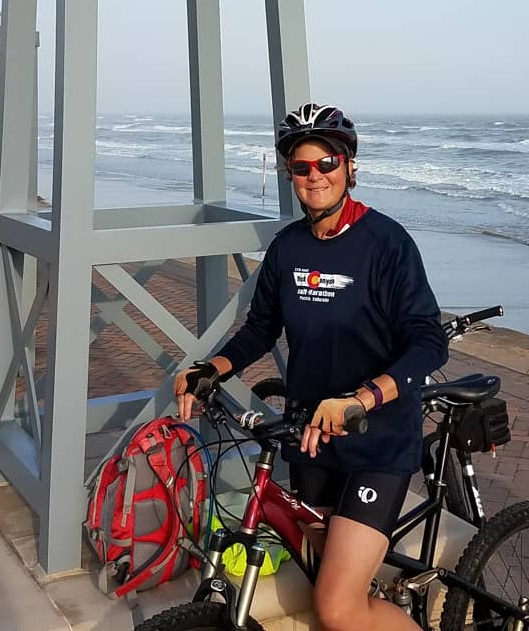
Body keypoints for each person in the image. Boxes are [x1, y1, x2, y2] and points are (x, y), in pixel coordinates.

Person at [175, 103, 448, 631]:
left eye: (326, 163)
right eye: (301, 168)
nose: (314, 176)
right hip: (312, 440)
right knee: (330, 575)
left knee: (337, 608)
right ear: (289, 176)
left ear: (349, 167)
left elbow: (429, 342)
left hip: (377, 440)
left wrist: (361, 398)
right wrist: (213, 368)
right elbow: (261, 329)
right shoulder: (288, 247)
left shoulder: (387, 244)